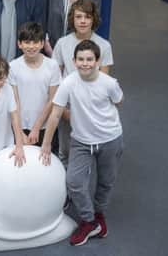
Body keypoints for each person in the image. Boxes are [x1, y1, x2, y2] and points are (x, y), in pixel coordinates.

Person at [39, 40, 124, 247]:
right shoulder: (69, 82)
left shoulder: (109, 83)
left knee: (105, 182)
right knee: (74, 182)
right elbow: (56, 113)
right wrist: (47, 144)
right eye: (80, 59)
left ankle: (99, 214)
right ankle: (89, 220)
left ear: (97, 61)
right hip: (81, 141)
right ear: (74, 61)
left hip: (110, 139)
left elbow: (119, 101)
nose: (85, 64)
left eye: (89, 59)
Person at [52, 0, 114, 167]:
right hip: (67, 108)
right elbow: (55, 79)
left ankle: (80, 189)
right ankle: (66, 191)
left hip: (90, 110)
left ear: (93, 19)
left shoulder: (104, 46)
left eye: (87, 17)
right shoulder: (62, 44)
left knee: (87, 153)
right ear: (72, 19)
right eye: (78, 17)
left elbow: (104, 83)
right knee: (65, 151)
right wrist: (64, 110)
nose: (83, 21)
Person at [8, 22, 61, 152]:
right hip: (19, 126)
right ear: (19, 44)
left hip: (44, 127)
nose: (31, 46)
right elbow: (14, 101)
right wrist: (19, 131)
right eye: (26, 42)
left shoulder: (52, 66)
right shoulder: (13, 66)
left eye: (35, 42)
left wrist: (37, 127)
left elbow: (52, 99)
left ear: (42, 44)